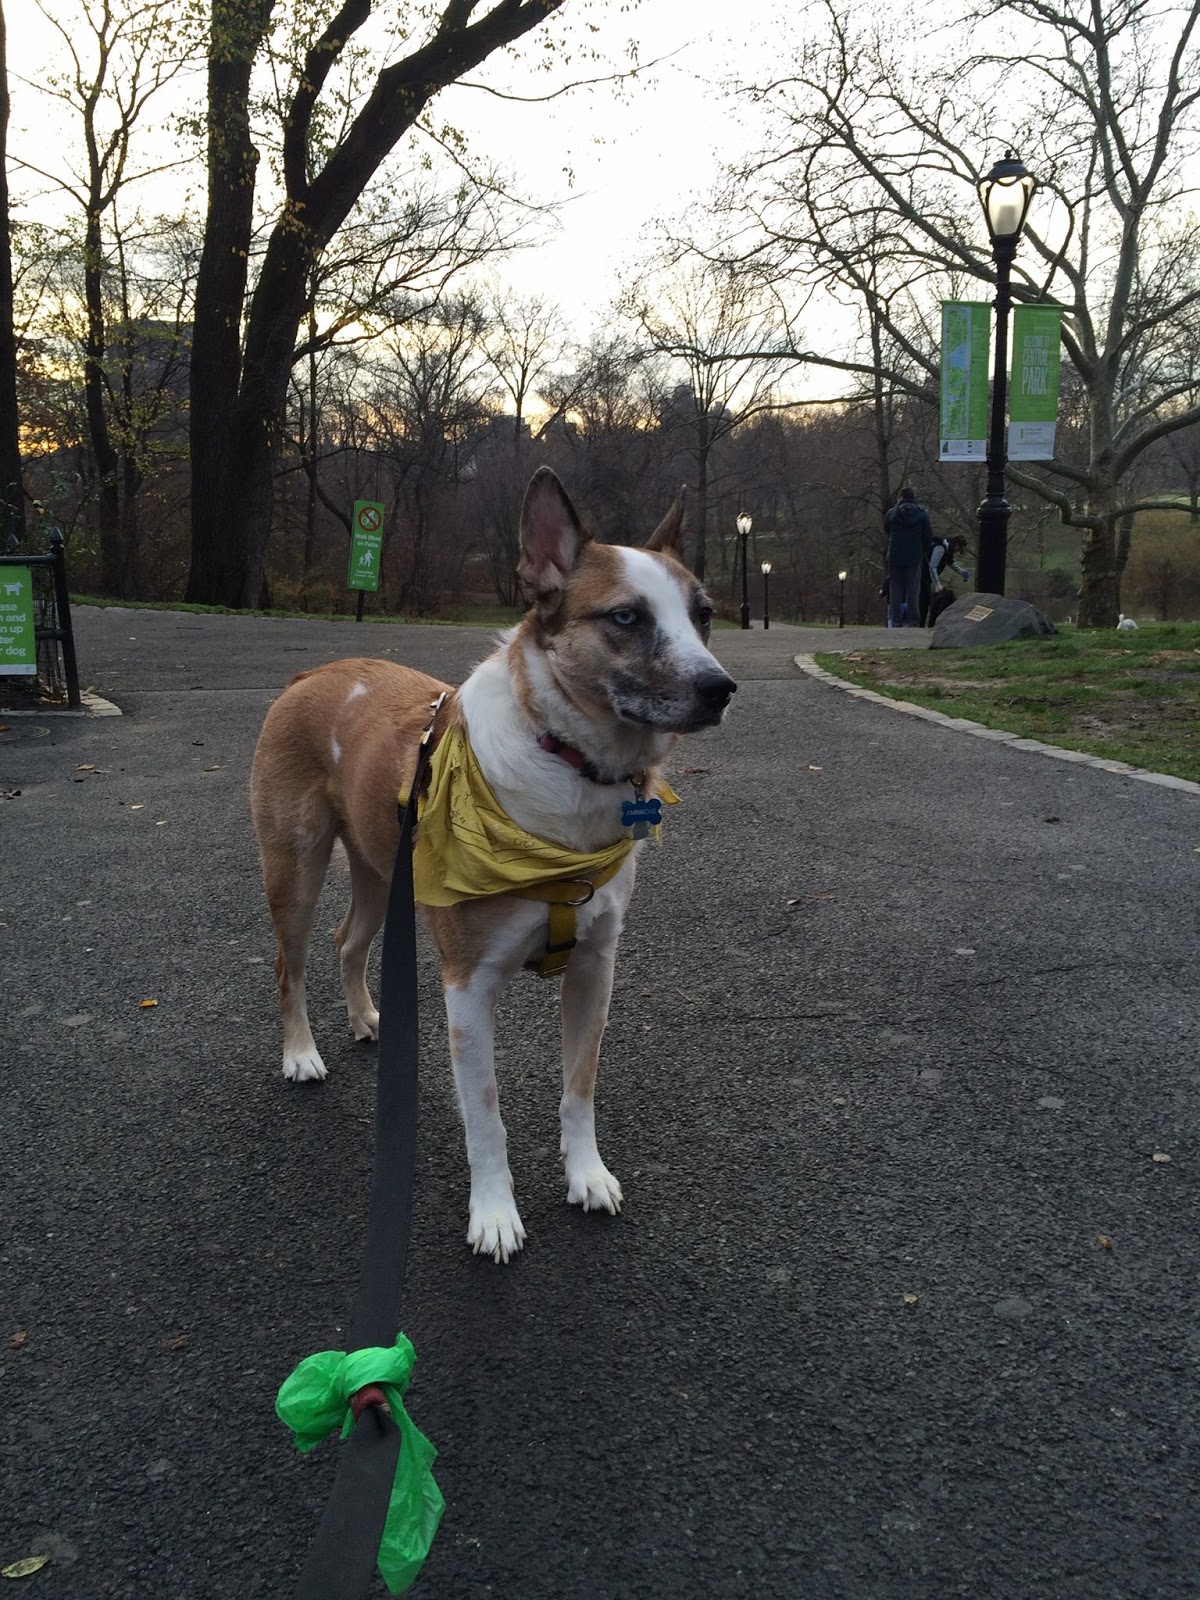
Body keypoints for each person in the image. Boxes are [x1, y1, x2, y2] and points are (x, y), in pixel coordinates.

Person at [883, 487, 932, 629]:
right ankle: (913, 621)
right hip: (914, 556)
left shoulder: (892, 514)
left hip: (894, 555)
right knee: (913, 590)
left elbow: (887, 529)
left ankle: (896, 620)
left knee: (895, 589)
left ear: (900, 497)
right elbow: (927, 537)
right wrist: (921, 550)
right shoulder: (922, 515)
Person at [921, 533, 970, 626]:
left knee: (926, 601)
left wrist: (962, 572)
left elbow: (950, 563)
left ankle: (923, 624)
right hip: (923, 577)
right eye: (958, 549)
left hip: (927, 579)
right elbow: (932, 567)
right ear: (956, 545)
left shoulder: (947, 549)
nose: (957, 551)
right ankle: (920, 624)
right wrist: (937, 584)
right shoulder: (940, 548)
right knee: (923, 601)